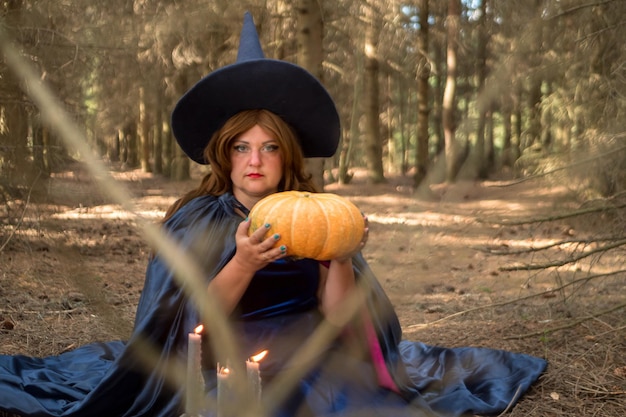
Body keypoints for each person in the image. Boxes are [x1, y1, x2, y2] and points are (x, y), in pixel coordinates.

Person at [0, 12, 547, 417]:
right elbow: (189, 324)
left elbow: (337, 318)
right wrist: (241, 263)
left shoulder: (321, 216)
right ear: (224, 153)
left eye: (269, 148)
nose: (255, 161)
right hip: (224, 361)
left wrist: (340, 261)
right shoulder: (198, 218)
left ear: (288, 155)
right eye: (242, 147)